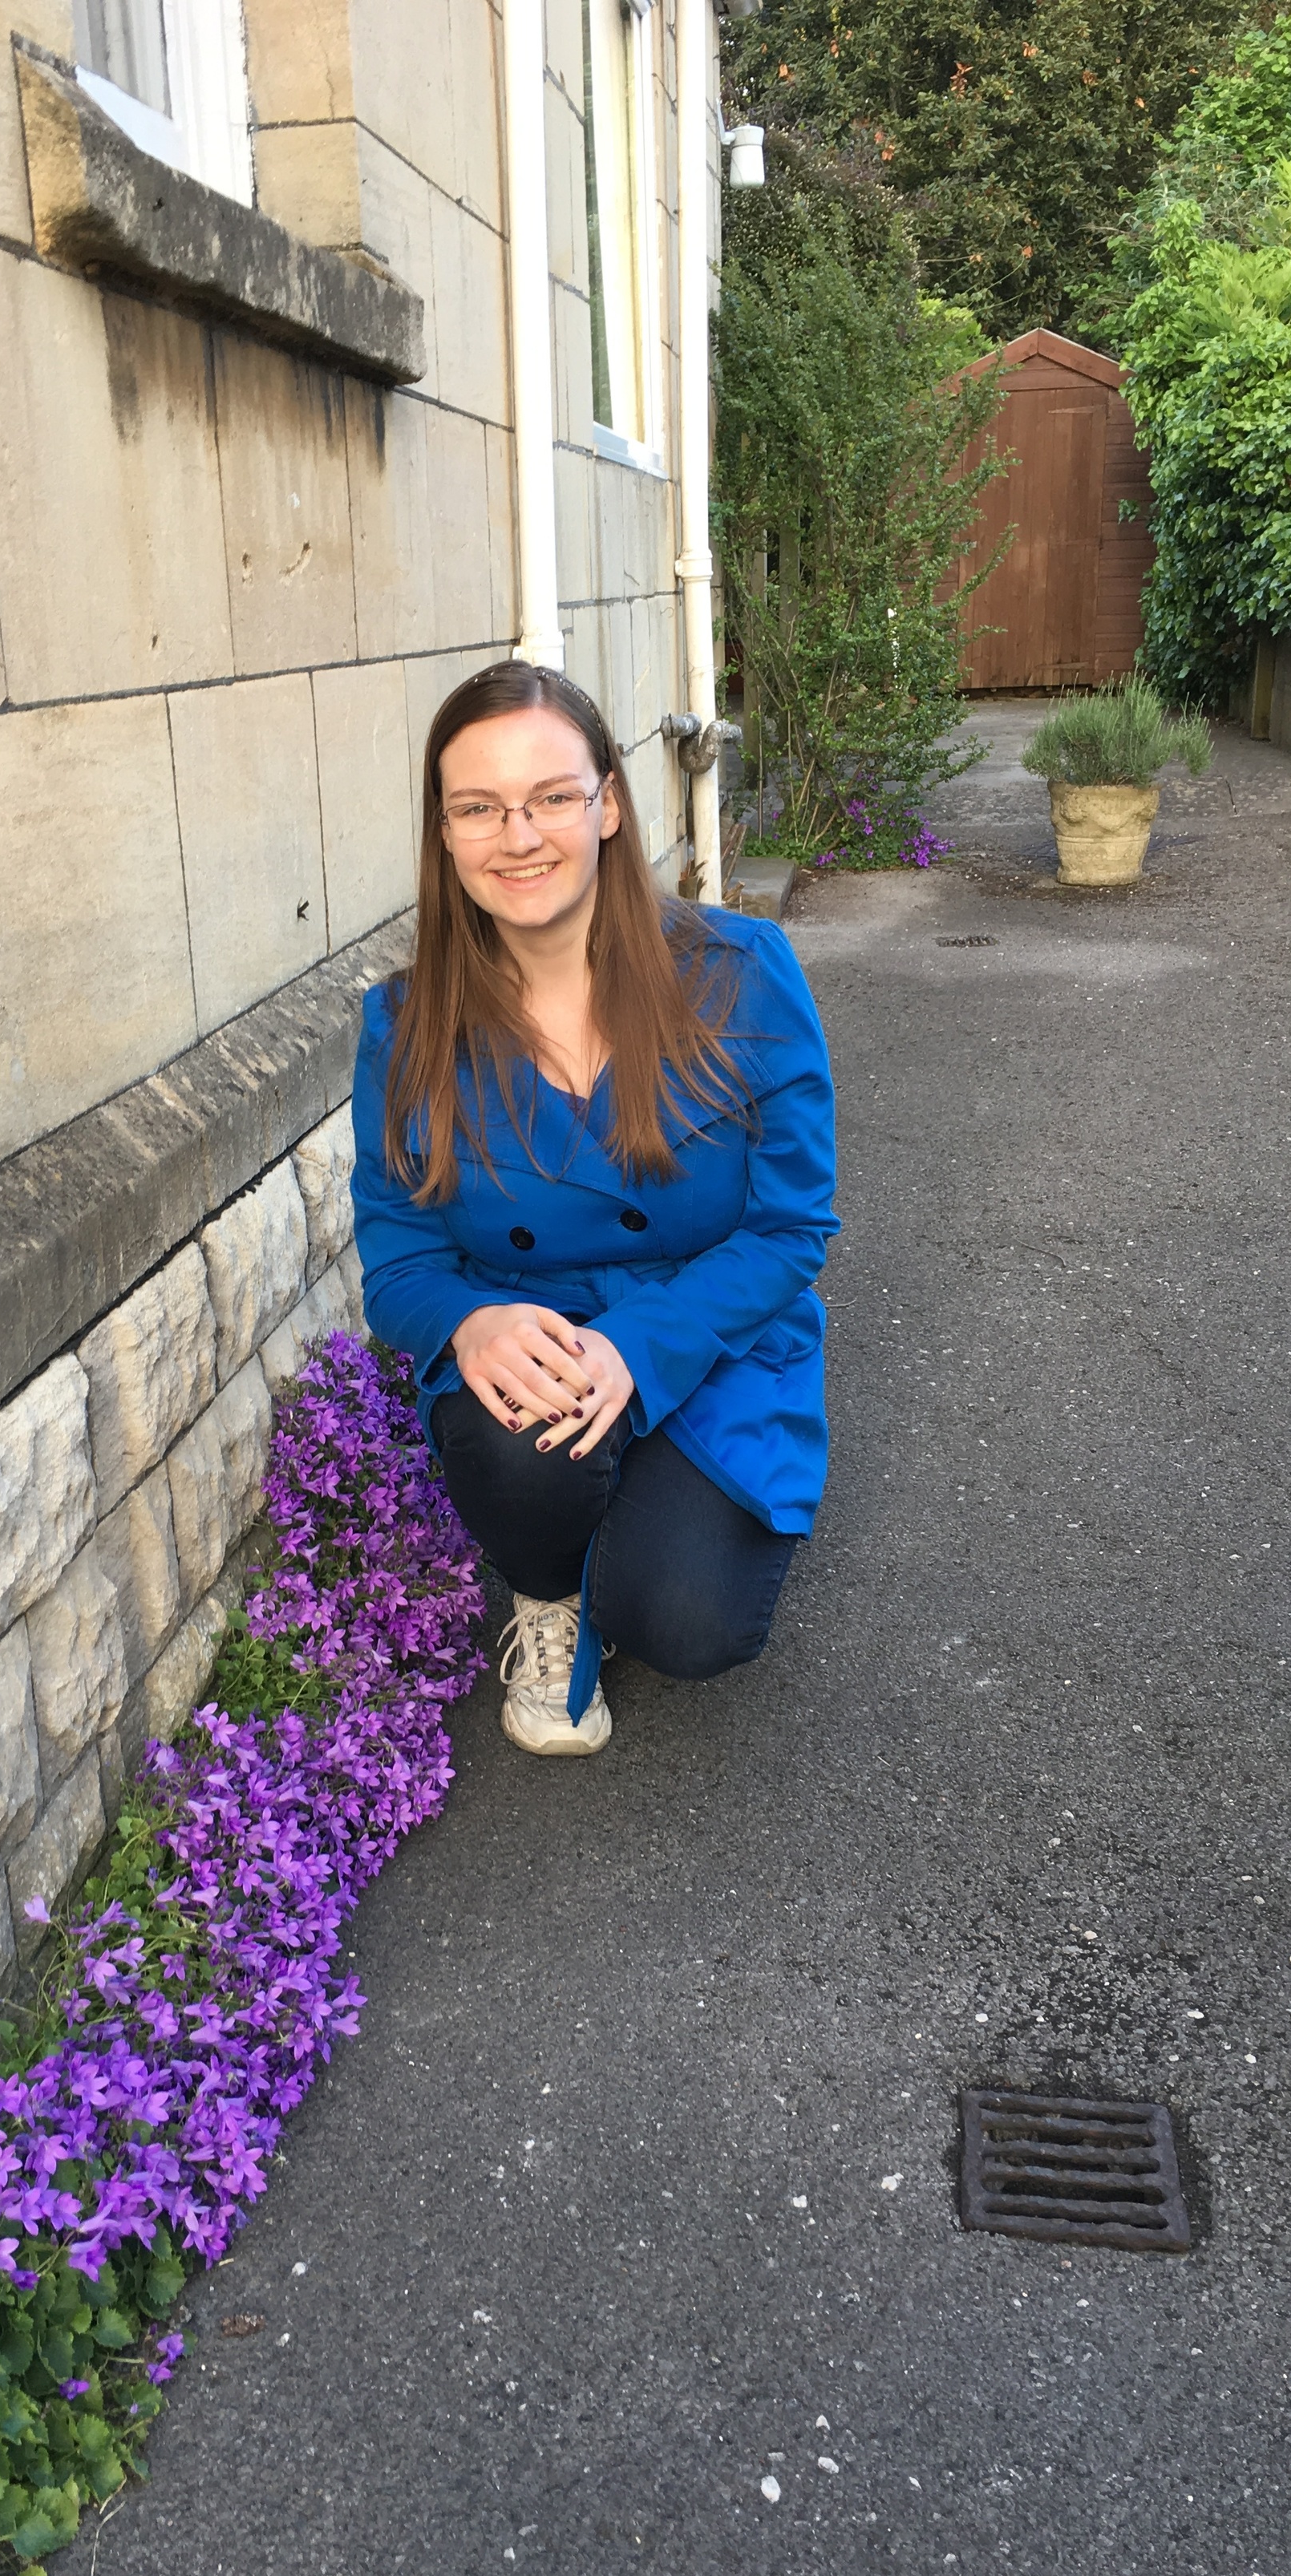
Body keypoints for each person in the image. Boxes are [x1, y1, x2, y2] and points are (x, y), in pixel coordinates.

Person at [349, 661, 839, 1756]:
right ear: (445, 833)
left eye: (551, 797)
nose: (517, 835)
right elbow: (400, 1253)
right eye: (478, 807)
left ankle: (634, 1530)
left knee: (691, 1622)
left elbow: (792, 1224)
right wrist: (469, 1321)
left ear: (608, 802)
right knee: (524, 1448)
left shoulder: (744, 973)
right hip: (531, 1357)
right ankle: (546, 1589)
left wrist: (636, 1348)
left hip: (703, 1338)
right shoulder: (405, 1023)